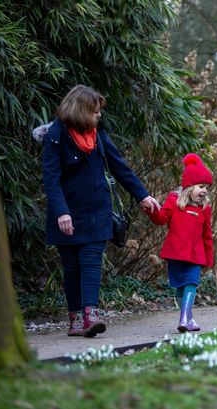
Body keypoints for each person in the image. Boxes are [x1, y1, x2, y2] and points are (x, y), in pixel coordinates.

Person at [40, 85, 161, 338]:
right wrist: (62, 212)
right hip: (67, 214)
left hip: (97, 212)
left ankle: (91, 314)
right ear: (82, 110)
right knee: (72, 267)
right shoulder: (55, 135)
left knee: (91, 262)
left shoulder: (97, 134)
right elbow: (51, 179)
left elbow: (119, 166)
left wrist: (143, 195)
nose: (99, 115)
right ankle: (74, 318)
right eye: (95, 111)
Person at [145, 153, 213, 332]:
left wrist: (209, 259)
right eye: (201, 186)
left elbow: (207, 236)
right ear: (189, 186)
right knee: (181, 288)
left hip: (196, 255)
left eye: (207, 187)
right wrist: (151, 210)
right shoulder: (174, 201)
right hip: (176, 254)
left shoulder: (205, 209)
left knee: (192, 282)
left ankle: (183, 319)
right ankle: (188, 319)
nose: (205, 191)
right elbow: (160, 219)